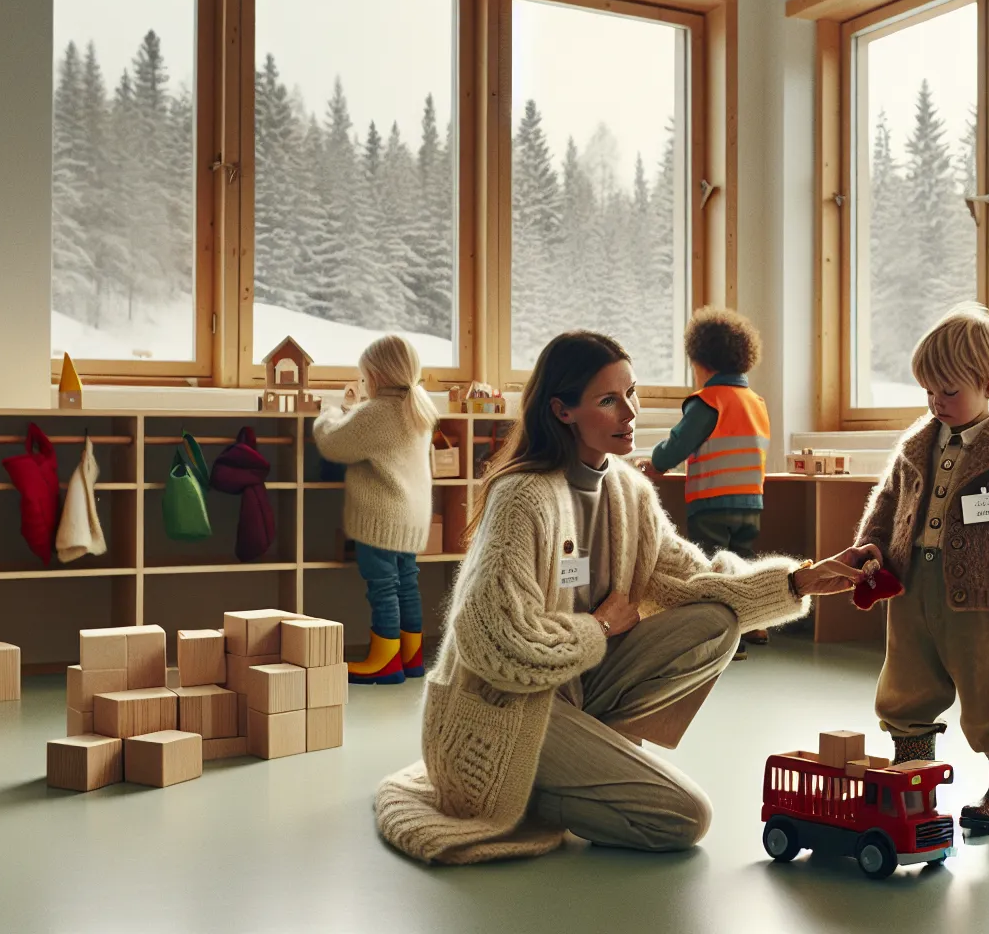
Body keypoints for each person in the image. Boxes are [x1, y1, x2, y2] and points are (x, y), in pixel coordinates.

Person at [374, 330, 878, 864]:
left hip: (577, 690)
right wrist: (599, 629)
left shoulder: (629, 490)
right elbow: (493, 640)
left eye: (631, 393)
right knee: (685, 817)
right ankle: (524, 786)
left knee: (716, 621)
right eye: (608, 400)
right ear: (563, 411)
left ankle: (577, 760)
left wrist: (799, 581)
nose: (630, 412)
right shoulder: (522, 496)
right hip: (506, 705)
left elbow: (694, 578)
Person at [855, 303, 989, 834]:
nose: (935, 402)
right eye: (927, 391)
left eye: (948, 391)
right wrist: (870, 548)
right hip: (911, 586)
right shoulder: (917, 445)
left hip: (982, 597)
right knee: (906, 681)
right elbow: (888, 502)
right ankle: (910, 779)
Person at [645, 307, 772, 658]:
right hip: (750, 503)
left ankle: (728, 641)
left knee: (714, 571)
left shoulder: (708, 402)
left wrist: (655, 463)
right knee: (743, 566)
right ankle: (755, 623)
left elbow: (678, 444)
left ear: (701, 362)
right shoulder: (756, 403)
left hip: (712, 504)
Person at [313, 335, 438, 684]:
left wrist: (329, 412)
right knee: (406, 583)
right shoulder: (419, 406)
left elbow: (333, 443)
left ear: (377, 375)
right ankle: (411, 658)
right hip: (411, 517)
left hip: (381, 518)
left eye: (365, 375)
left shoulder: (378, 412)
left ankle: (385, 662)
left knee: (382, 587)